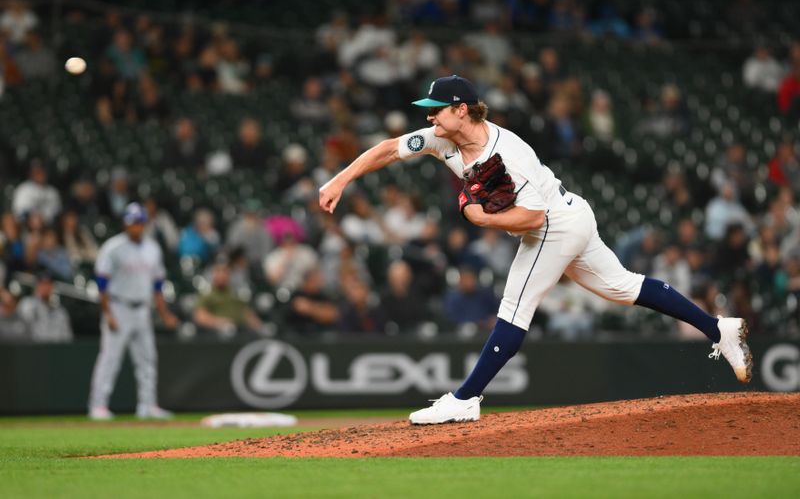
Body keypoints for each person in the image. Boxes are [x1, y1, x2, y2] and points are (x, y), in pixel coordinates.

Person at [319, 75, 753, 425]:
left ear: (461, 110)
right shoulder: (441, 138)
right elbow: (388, 149)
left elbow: (532, 218)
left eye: (436, 110)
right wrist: (340, 180)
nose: (429, 118)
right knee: (624, 287)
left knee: (514, 307)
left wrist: (483, 220)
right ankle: (719, 329)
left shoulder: (509, 153)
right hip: (571, 214)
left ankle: (465, 398)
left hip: (554, 225)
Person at [88, 203, 178, 421]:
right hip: (118, 306)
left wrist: (164, 313)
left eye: (138, 223)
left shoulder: (153, 248)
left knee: (147, 359)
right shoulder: (113, 247)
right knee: (110, 358)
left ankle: (147, 406)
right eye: (132, 223)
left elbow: (158, 285)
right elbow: (102, 283)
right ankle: (98, 406)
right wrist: (107, 313)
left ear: (144, 224)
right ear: (125, 224)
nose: (135, 227)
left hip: (142, 309)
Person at [193, 261, 264, 336]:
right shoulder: (207, 295)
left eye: (225, 272)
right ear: (213, 274)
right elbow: (199, 316)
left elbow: (247, 313)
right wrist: (219, 323)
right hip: (216, 335)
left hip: (240, 332)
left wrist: (259, 326)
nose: (222, 275)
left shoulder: (235, 294)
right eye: (218, 271)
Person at [17, 271, 72, 342]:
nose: (45, 287)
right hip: (33, 349)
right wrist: (37, 298)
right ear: (37, 285)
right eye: (42, 283)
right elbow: (22, 329)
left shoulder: (61, 312)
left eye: (48, 284)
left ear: (52, 286)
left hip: (55, 350)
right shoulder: (27, 304)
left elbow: (68, 338)